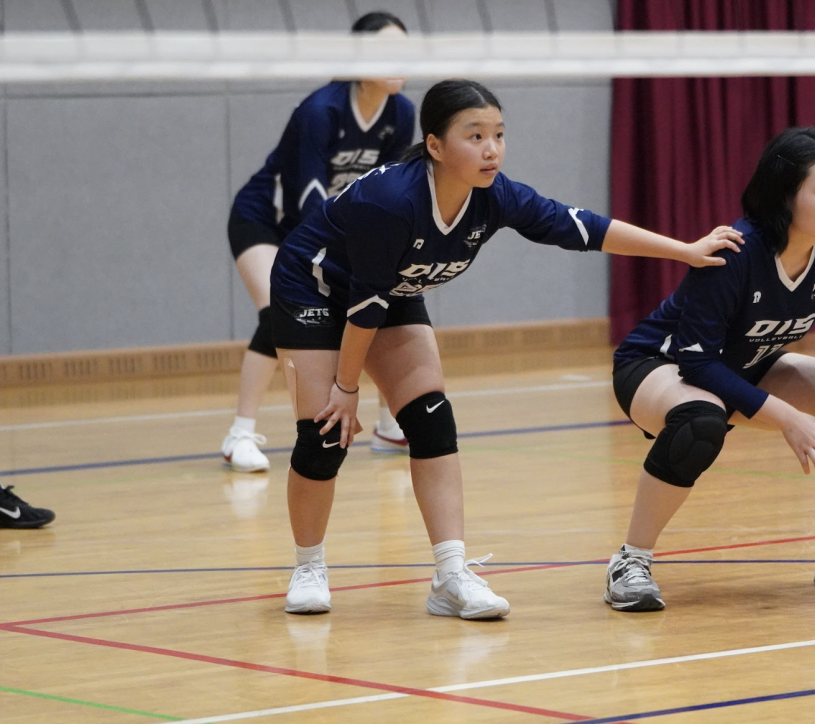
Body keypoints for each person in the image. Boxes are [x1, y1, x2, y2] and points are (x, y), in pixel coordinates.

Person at [271, 79, 745, 618]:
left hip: (386, 290)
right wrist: (346, 388)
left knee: (431, 418)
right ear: (434, 146)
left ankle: (450, 575)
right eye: (475, 136)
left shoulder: (495, 197)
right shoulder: (392, 201)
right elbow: (364, 305)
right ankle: (308, 565)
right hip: (313, 284)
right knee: (325, 434)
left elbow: (582, 228)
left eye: (498, 134)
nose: (491, 148)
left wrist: (683, 251)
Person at [604, 127, 815, 613]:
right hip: (660, 364)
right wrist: (787, 418)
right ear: (785, 198)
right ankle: (630, 560)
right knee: (699, 422)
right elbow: (695, 359)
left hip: (748, 363)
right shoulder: (736, 251)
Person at [221, 11, 416, 473]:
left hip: (331, 229)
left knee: (378, 300)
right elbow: (306, 205)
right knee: (278, 312)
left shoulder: (401, 114)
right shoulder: (319, 111)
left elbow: (383, 195)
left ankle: (390, 424)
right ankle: (239, 434)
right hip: (267, 220)